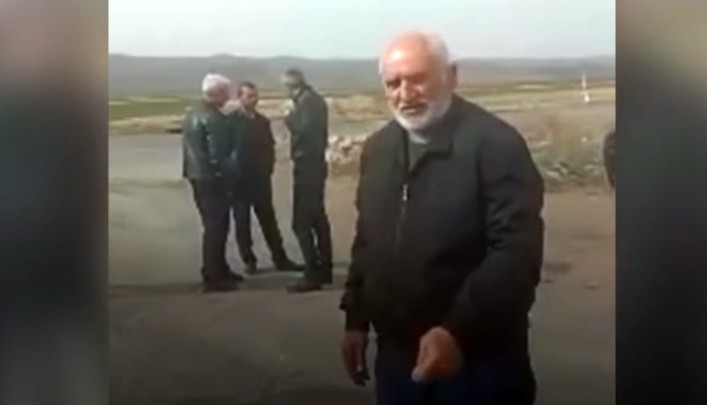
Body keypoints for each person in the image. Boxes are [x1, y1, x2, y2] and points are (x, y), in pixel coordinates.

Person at [339, 31, 544, 405]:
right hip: (397, 360)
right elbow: (368, 239)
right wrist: (356, 318)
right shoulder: (379, 150)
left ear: (451, 76)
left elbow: (516, 254)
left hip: (478, 362)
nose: (405, 93)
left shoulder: (495, 145)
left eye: (417, 79)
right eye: (393, 83)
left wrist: (456, 331)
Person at [226, 81, 304, 274]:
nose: (254, 100)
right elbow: (224, 151)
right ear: (239, 98)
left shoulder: (262, 121)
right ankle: (249, 261)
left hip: (260, 179)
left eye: (255, 96)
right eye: (249, 96)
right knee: (242, 222)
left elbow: (269, 147)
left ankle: (280, 258)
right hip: (239, 181)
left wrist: (268, 168)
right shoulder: (230, 122)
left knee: (269, 220)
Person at [182, 73, 243, 293]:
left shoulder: (193, 112)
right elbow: (218, 154)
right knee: (216, 226)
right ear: (218, 93)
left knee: (213, 225)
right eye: (226, 92)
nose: (229, 96)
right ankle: (213, 276)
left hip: (196, 174)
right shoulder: (213, 118)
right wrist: (229, 177)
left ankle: (219, 268)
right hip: (211, 177)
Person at [281, 68, 334, 293]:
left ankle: (313, 274)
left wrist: (289, 118)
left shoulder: (307, 103)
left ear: (292, 86)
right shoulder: (313, 100)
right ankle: (325, 268)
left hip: (308, 164)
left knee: (302, 222)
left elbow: (305, 130)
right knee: (317, 218)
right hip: (314, 163)